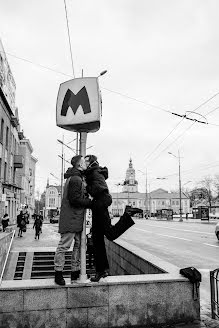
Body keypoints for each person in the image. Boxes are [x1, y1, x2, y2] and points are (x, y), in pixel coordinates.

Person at [84, 154, 138, 282]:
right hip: (99, 206)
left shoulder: (94, 172)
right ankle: (101, 270)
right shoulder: (94, 171)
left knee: (110, 234)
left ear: (91, 162)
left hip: (100, 205)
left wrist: (86, 186)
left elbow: (97, 189)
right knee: (97, 240)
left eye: (86, 161)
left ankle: (127, 214)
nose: (84, 163)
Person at [54, 155, 92, 286]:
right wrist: (89, 202)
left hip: (76, 217)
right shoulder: (76, 179)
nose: (86, 164)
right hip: (71, 217)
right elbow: (74, 199)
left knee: (78, 245)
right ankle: (58, 274)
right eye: (84, 162)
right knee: (64, 246)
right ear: (79, 165)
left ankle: (75, 272)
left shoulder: (76, 177)